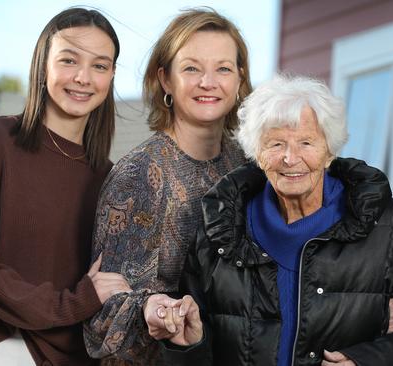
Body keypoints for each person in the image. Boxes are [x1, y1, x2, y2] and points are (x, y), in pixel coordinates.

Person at [144, 74, 393, 365]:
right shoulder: (221, 227)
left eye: (306, 142)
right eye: (276, 144)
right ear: (256, 152)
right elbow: (193, 340)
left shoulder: (384, 222)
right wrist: (189, 344)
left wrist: (366, 361)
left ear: (329, 150)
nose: (290, 158)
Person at [0, 8, 131, 366]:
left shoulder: (111, 179)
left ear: (111, 75)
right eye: (69, 60)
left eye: (100, 65)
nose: (83, 77)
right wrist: (72, 303)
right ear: (42, 65)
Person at [83, 8, 252, 364]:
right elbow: (105, 318)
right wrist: (151, 309)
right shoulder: (142, 174)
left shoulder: (249, 166)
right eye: (191, 68)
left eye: (223, 68)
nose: (208, 82)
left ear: (240, 79)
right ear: (166, 79)